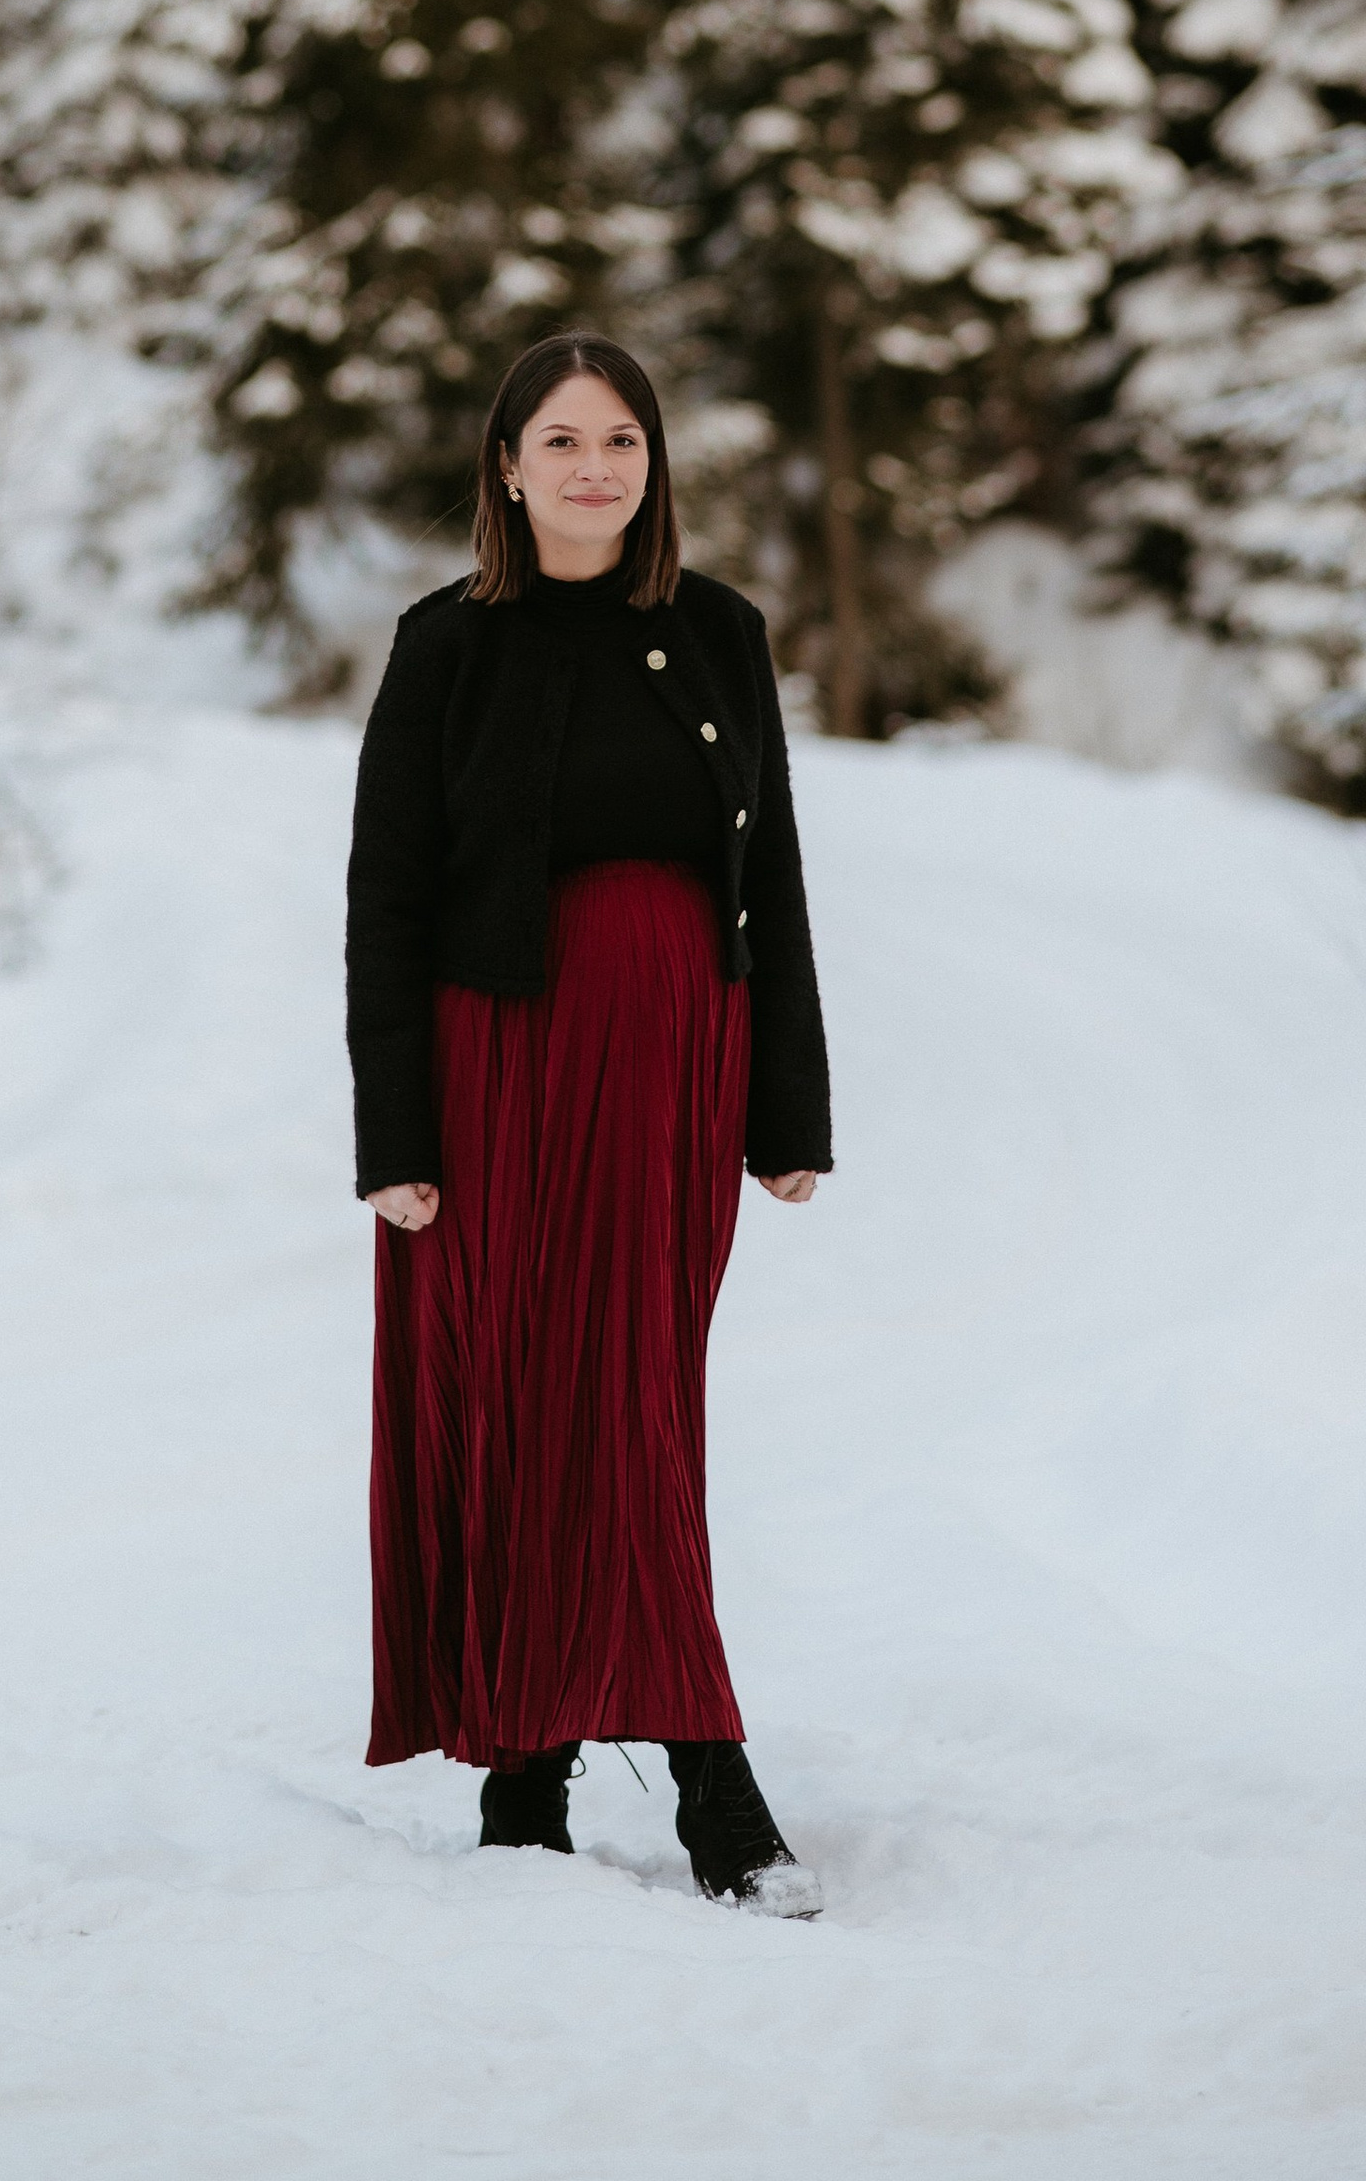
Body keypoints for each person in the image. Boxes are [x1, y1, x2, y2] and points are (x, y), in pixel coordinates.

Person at [347, 327, 834, 1915]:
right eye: (560, 440)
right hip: (501, 1074)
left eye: (620, 440)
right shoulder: (446, 645)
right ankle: (642, 1778)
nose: (593, 468)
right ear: (506, 466)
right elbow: (388, 903)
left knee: (631, 1402)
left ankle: (578, 1765)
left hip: (677, 1067)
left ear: (653, 466)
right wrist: (398, 1142)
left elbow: (771, 882)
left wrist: (789, 1110)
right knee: (523, 1394)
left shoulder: (719, 632)